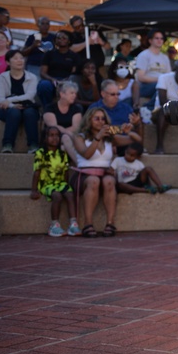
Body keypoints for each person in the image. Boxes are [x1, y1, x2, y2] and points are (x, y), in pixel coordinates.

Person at [72, 107, 119, 238]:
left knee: (109, 181)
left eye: (103, 119)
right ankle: (88, 223)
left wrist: (133, 127)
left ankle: (110, 223)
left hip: (104, 175)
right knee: (94, 181)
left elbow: (134, 140)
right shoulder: (79, 137)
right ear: (89, 120)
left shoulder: (109, 137)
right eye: (96, 118)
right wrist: (97, 137)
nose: (100, 121)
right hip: (84, 175)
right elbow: (86, 155)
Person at [30, 126, 79, 237]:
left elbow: (66, 171)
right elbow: (37, 172)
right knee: (57, 196)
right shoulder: (40, 153)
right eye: (51, 136)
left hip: (60, 183)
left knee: (70, 194)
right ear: (44, 138)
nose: (55, 138)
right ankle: (54, 225)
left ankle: (73, 223)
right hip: (46, 184)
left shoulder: (62, 153)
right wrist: (34, 190)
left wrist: (66, 185)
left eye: (57, 135)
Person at [0, 49, 40, 153]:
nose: (20, 60)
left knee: (29, 113)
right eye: (15, 58)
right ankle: (7, 145)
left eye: (21, 58)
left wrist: (10, 99)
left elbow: (29, 96)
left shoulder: (32, 77)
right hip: (7, 109)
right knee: (14, 113)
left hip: (27, 107)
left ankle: (33, 145)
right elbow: (0, 99)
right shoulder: (1, 78)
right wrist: (12, 105)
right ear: (8, 62)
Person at [37, 31, 80, 108]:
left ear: (69, 41)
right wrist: (53, 80)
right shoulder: (48, 54)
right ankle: (47, 108)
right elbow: (43, 72)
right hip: (51, 80)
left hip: (68, 80)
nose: (61, 40)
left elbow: (74, 73)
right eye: (58, 38)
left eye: (64, 38)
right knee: (43, 85)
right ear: (55, 40)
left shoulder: (74, 56)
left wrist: (64, 81)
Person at [134, 28, 171, 106]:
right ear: (150, 40)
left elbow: (169, 76)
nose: (159, 40)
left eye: (161, 38)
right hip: (145, 87)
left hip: (160, 85)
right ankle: (148, 107)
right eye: (156, 38)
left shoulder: (165, 57)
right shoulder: (143, 55)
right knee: (160, 87)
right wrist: (160, 79)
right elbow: (141, 77)